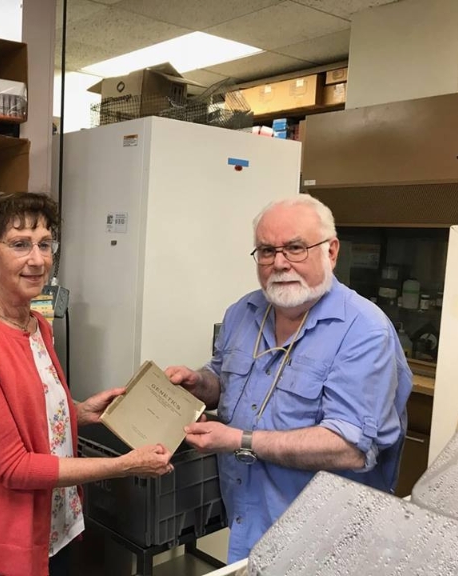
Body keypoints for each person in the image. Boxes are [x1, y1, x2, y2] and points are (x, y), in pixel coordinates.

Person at [0, 192, 174, 576]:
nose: (38, 260)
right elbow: (13, 467)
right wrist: (123, 466)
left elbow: (27, 416)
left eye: (45, 244)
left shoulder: (37, 324)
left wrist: (80, 412)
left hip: (53, 532)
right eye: (20, 244)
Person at [165, 195, 412, 563]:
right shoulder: (243, 312)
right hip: (248, 518)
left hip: (325, 541)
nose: (279, 263)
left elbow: (348, 446)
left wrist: (239, 440)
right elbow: (224, 379)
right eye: (266, 250)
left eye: (295, 248)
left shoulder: (364, 330)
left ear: (331, 251)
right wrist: (200, 383)